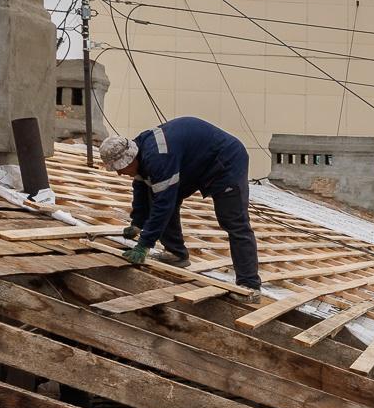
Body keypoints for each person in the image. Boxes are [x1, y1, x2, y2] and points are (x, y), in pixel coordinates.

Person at [100, 119, 261, 295]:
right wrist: (137, 223)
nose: (119, 172)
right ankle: (176, 254)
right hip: (195, 164)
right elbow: (141, 187)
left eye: (120, 168)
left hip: (225, 161)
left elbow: (164, 204)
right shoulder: (140, 151)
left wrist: (144, 244)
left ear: (129, 160)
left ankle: (250, 285)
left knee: (234, 221)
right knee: (158, 194)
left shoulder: (158, 157)